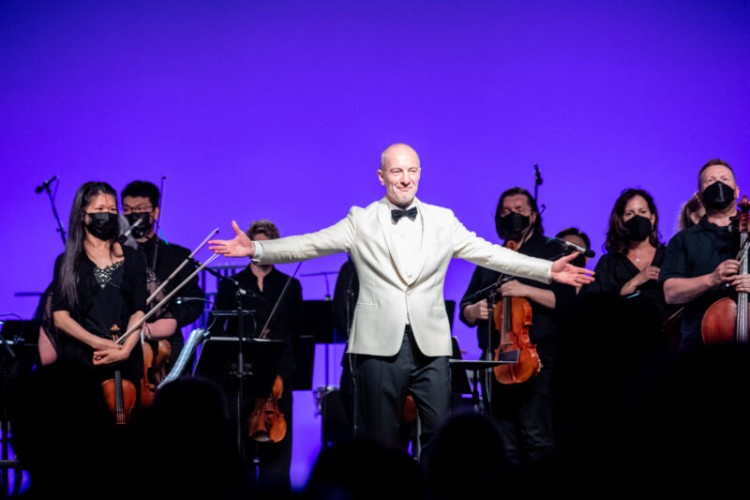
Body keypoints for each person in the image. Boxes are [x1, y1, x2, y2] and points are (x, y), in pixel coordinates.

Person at [208, 143, 594, 455]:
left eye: (411, 170)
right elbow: (309, 244)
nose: (405, 178)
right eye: (396, 171)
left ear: (420, 174)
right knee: (379, 442)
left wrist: (546, 270)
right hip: (377, 346)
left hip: (432, 346)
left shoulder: (443, 220)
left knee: (439, 439)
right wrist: (258, 250)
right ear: (381, 177)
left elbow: (489, 253)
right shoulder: (361, 220)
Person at [458, 187, 577, 467]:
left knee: (538, 439)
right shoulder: (491, 256)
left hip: (539, 360)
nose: (513, 216)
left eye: (520, 211)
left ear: (534, 215)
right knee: (505, 443)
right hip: (499, 361)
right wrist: (474, 310)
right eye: (506, 212)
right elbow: (466, 306)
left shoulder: (551, 251)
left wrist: (524, 288)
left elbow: (566, 302)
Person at [210, 219, 304, 495]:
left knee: (277, 452)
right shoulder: (233, 285)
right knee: (239, 449)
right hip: (241, 373)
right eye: (258, 244)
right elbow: (220, 327)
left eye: (268, 245)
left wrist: (291, 374)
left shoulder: (290, 285)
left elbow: (297, 335)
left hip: (279, 377)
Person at [50, 181, 148, 422]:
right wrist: (101, 344)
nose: (108, 215)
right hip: (85, 360)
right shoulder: (67, 262)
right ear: (83, 216)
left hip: (126, 355)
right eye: (101, 210)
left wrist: (124, 350)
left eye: (113, 210)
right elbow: (60, 317)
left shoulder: (134, 257)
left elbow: (139, 309)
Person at [121, 180, 205, 384]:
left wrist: (170, 321)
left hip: (168, 349)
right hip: (124, 344)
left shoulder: (177, 256)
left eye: (140, 209)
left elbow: (194, 302)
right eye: (127, 210)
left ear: (155, 212)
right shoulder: (115, 253)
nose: (133, 216)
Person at [661, 158, 748, 353]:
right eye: (710, 181)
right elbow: (670, 293)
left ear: (736, 191)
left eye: (724, 179)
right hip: (697, 348)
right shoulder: (683, 241)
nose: (718, 184)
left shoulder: (747, 234)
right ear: (700, 196)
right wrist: (711, 279)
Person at [585, 188, 678, 348]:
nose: (637, 217)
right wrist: (634, 282)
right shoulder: (609, 262)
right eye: (630, 214)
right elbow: (594, 306)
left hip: (667, 343)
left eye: (642, 211)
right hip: (622, 344)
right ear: (621, 220)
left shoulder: (670, 256)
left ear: (652, 217)